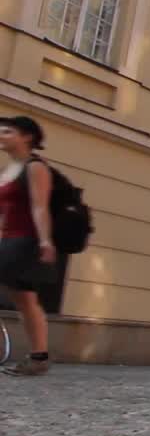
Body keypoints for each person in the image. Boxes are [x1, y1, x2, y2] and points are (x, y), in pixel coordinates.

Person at [0, 117, 58, 376]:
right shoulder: (9, 170)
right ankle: (39, 357)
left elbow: (39, 206)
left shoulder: (35, 168)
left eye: (8, 131)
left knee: (26, 300)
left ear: (27, 137)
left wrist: (45, 240)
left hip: (24, 240)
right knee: (25, 301)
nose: (2, 135)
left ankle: (38, 358)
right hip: (9, 239)